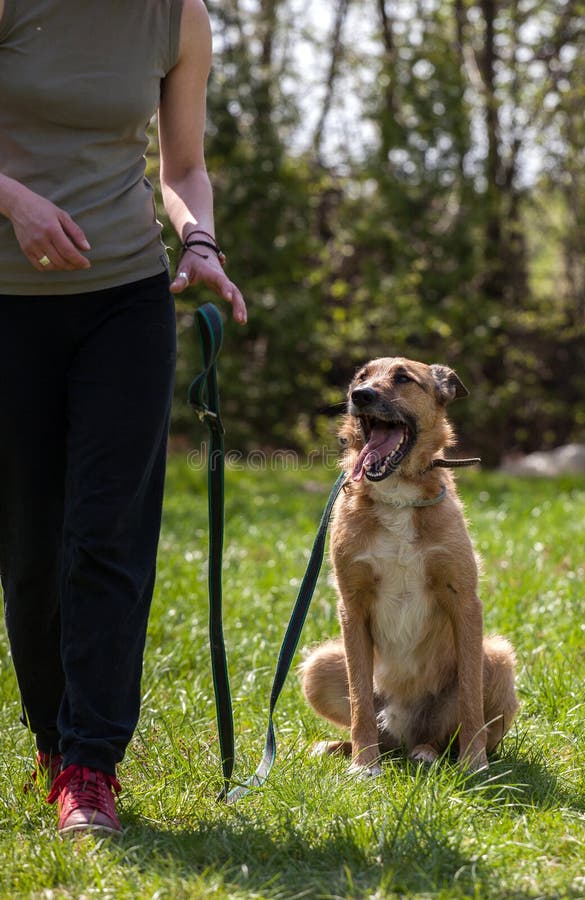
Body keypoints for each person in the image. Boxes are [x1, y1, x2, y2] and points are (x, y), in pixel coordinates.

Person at [0, 0, 246, 837]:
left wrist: (200, 242)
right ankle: (51, 740)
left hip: (126, 302)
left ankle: (89, 763)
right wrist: (15, 202)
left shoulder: (178, 17)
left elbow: (182, 168)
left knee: (109, 535)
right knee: (31, 546)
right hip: (9, 304)